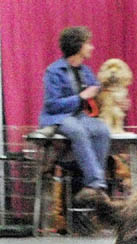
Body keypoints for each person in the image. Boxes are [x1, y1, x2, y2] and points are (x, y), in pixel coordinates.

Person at [39, 26, 112, 204]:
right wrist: (80, 97)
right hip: (57, 117)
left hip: (79, 116)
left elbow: (95, 90)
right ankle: (96, 183)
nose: (92, 47)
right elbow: (52, 105)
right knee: (77, 130)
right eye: (88, 43)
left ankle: (92, 184)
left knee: (102, 130)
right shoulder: (54, 71)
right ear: (77, 46)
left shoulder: (85, 71)